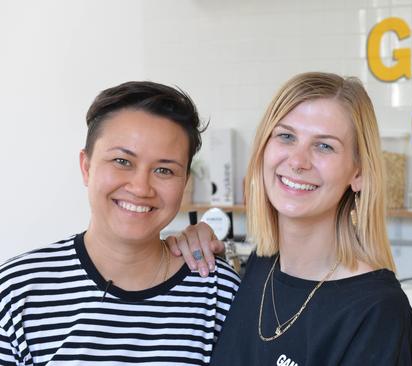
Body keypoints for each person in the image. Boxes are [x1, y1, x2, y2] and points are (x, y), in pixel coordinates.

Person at [171, 72, 412, 365]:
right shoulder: (260, 268)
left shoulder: (377, 311)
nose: (298, 161)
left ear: (358, 173)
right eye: (286, 136)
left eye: (324, 145)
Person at [0, 81, 240, 365]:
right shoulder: (15, 293)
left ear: (185, 183)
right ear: (86, 167)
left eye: (164, 170)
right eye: (122, 161)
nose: (140, 187)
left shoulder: (218, 292)